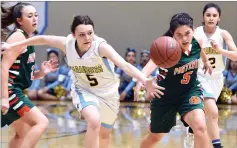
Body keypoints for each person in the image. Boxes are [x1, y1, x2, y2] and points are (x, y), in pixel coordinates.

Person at [1, 15, 164, 148]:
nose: (87, 38)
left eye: (90, 33)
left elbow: (125, 65)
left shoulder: (101, 47)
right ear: (73, 35)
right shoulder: (67, 44)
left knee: (105, 135)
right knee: (93, 121)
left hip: (108, 94)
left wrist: (145, 80)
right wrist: (13, 45)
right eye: (82, 34)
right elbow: (42, 39)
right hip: (83, 90)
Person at [134, 12, 212, 148]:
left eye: (187, 33)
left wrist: (206, 62)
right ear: (172, 34)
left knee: (200, 127)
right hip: (165, 97)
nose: (184, 39)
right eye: (179, 35)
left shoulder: (196, 41)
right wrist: (140, 83)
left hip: (189, 92)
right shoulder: (166, 49)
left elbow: (200, 50)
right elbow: (147, 68)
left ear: (193, 30)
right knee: (155, 137)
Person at [1, 2, 57, 148]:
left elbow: (25, 75)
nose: (35, 19)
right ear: (19, 20)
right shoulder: (18, 37)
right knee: (41, 122)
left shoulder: (27, 39)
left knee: (23, 133)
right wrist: (4, 98)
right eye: (30, 16)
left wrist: (41, 73)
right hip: (9, 90)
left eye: (36, 15)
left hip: (14, 89)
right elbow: (3, 66)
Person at [186, 3, 237, 148]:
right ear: (203, 17)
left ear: (219, 18)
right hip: (199, 77)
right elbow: (186, 54)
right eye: (208, 15)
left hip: (216, 79)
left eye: (214, 15)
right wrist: (196, 46)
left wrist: (220, 50)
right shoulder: (196, 32)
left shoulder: (223, 34)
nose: (211, 18)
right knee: (213, 112)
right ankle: (217, 146)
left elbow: (235, 56)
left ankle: (191, 131)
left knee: (205, 114)